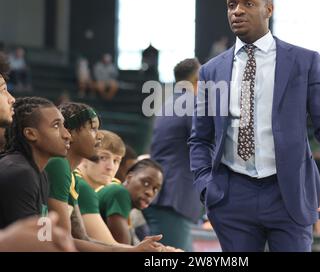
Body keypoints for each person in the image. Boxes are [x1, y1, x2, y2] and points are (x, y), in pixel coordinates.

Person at [188, 0, 320, 252]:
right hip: (231, 197)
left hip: (289, 195)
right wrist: (206, 186)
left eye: (248, 3)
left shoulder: (304, 61)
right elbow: (200, 138)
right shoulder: (212, 70)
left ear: (269, 9)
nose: (237, 11)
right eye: (232, 5)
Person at [45, 102, 165, 251]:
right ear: (70, 132)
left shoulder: (72, 177)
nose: (100, 135)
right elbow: (64, 241)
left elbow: (80, 238)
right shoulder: (60, 165)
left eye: (116, 161)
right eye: (93, 128)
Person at [0, 56, 75, 252]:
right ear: (31, 133)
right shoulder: (19, 172)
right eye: (2, 90)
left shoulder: (39, 173)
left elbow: (44, 239)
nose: (12, 98)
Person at [144, 58, 202, 251]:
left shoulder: (171, 102)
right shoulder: (192, 102)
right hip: (173, 197)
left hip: (167, 194)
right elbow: (205, 142)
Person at [97, 159, 163, 245]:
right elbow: (123, 248)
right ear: (129, 178)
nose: (150, 193)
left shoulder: (127, 206)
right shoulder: (119, 193)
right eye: (146, 183)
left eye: (155, 189)